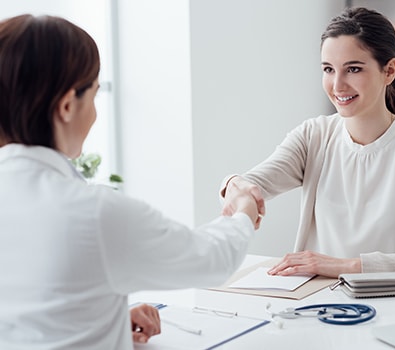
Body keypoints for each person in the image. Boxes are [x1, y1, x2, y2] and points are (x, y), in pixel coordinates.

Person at [0, 14, 262, 350]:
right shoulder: (92, 213)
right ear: (67, 105)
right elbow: (212, 260)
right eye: (93, 95)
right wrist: (244, 208)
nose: (94, 113)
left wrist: (101, 316)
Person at [221, 7, 395, 281]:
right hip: (321, 307)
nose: (337, 85)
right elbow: (253, 185)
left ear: (389, 71)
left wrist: (345, 267)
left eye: (353, 69)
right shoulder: (313, 136)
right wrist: (235, 186)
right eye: (328, 69)